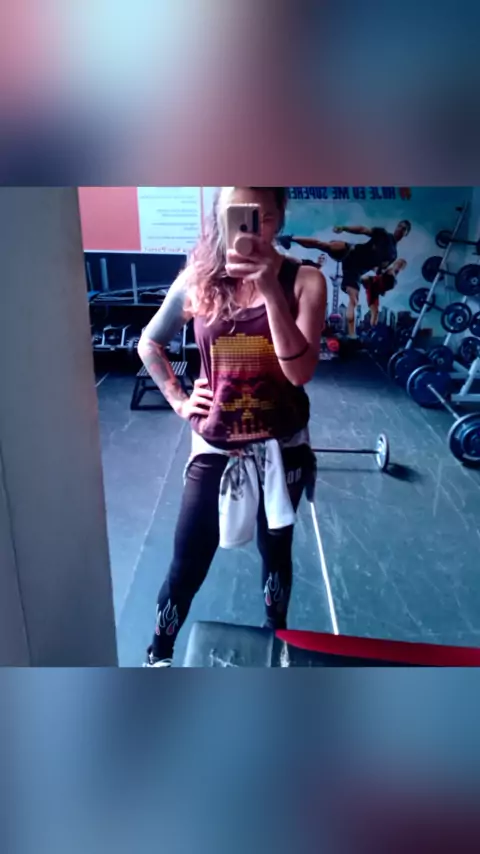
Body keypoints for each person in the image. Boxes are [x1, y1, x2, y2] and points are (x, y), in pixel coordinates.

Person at [138, 187, 327, 666]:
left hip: (281, 445)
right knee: (187, 560)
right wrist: (179, 399)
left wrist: (269, 290)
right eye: (237, 215)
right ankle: (158, 654)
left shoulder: (305, 281)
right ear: (220, 219)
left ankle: (276, 645)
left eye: (262, 217)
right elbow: (149, 343)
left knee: (276, 553)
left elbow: (300, 374)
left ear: (279, 217)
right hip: (216, 442)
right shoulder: (199, 280)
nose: (250, 228)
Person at [281, 220, 411, 337]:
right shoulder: (383, 234)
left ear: (406, 234)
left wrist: (383, 281)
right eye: (399, 226)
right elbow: (363, 230)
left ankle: (351, 335)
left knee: (353, 300)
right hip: (352, 252)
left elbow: (377, 269)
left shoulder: (393, 255)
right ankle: (289, 239)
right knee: (324, 245)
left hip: (355, 270)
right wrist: (344, 228)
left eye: (404, 229)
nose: (400, 229)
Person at [361, 258, 407, 326]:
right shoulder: (388, 271)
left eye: (401, 265)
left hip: (375, 289)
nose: (399, 266)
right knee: (374, 312)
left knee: (375, 312)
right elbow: (377, 272)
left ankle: (372, 327)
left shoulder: (393, 275)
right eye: (398, 264)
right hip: (373, 286)